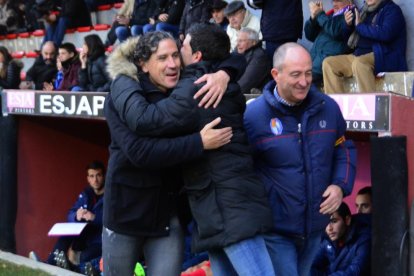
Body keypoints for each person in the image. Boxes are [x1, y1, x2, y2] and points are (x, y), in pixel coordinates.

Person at [109, 24, 275, 276]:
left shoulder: (198, 85)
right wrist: (198, 142)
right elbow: (140, 151)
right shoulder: (126, 96)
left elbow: (231, 55)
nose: (173, 63)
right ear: (143, 64)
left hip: (197, 213)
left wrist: (225, 73)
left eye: (177, 53)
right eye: (163, 58)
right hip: (129, 213)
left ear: (194, 57)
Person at [243, 42, 357, 276]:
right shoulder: (254, 116)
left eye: (307, 73)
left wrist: (340, 185)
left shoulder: (329, 108)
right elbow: (241, 168)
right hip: (276, 229)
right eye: (296, 74)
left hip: (316, 227)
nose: (304, 81)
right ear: (276, 74)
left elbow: (344, 149)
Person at [30, 161, 105, 274]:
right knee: (65, 236)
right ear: (88, 178)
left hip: (99, 240)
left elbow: (114, 220)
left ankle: (68, 267)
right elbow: (70, 213)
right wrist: (76, 216)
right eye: (92, 176)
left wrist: (94, 217)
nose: (95, 180)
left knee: (85, 256)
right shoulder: (86, 194)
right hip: (84, 235)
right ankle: (48, 264)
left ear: (104, 176)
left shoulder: (110, 196)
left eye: (98, 175)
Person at [322, 0, 407, 93]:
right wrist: (348, 25)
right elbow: (349, 39)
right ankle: (335, 106)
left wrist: (360, 27)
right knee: (329, 63)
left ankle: (369, 105)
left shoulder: (392, 10)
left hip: (384, 55)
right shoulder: (364, 11)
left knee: (360, 63)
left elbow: (385, 34)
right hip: (359, 54)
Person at [311, 202, 371, 275]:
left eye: (334, 221)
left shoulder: (364, 239)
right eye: (325, 223)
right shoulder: (327, 239)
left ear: (347, 220)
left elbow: (354, 271)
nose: (329, 228)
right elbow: (311, 266)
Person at [304, 0, 353, 84]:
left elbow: (336, 31)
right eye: (333, 1)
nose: (334, 4)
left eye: (339, 1)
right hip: (314, 63)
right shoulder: (329, 15)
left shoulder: (351, 14)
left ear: (349, 2)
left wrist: (320, 14)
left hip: (327, 64)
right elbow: (310, 36)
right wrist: (313, 19)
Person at [236, 27, 270, 94]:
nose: (237, 44)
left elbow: (245, 84)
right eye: (237, 41)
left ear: (253, 42)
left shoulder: (260, 57)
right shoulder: (238, 52)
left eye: (241, 41)